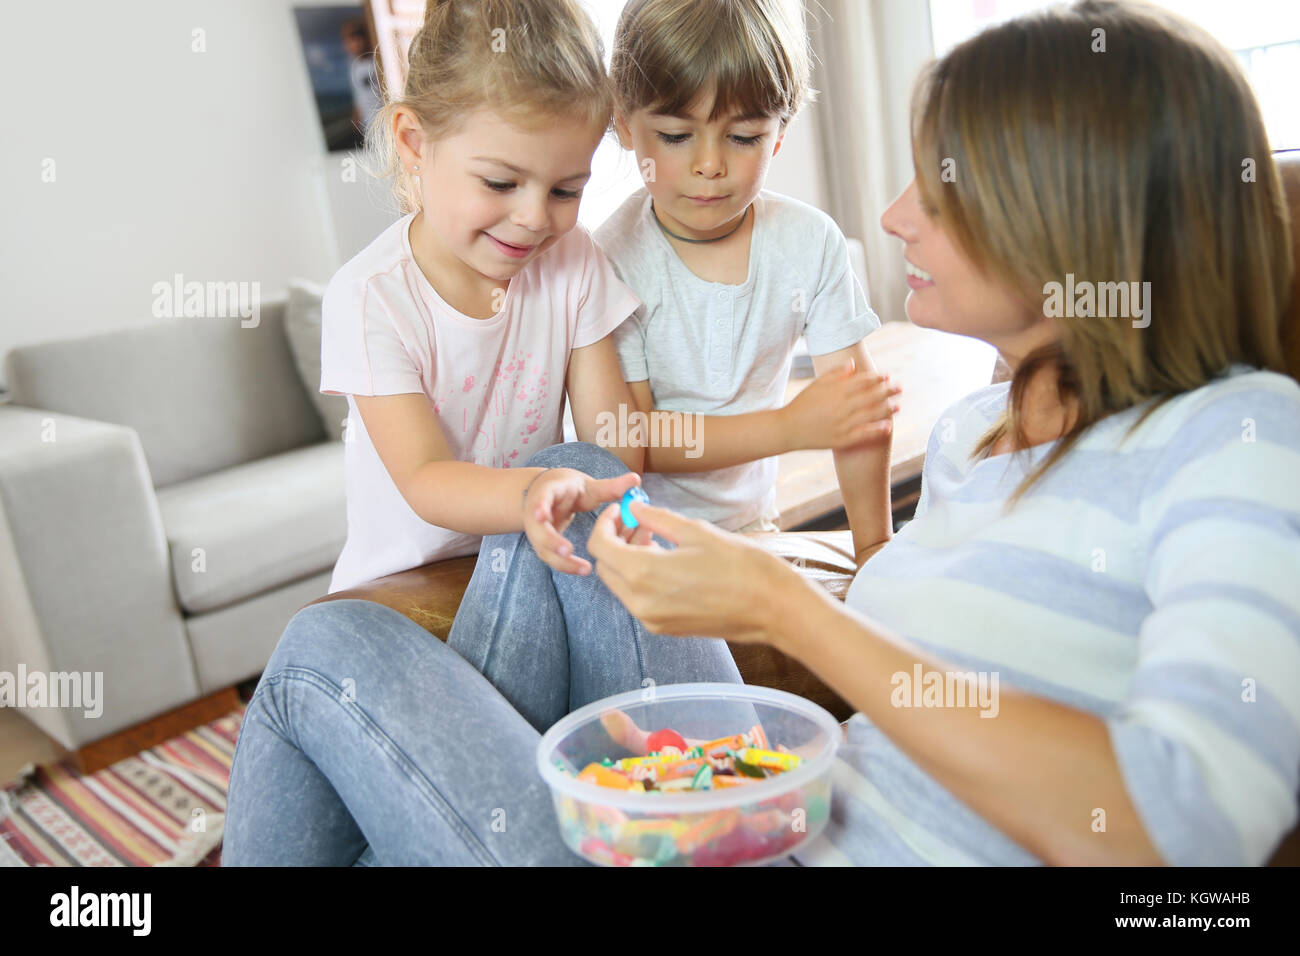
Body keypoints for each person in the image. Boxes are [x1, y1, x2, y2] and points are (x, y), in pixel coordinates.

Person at [225, 0, 1299, 866]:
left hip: (774, 827)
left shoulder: (1239, 435)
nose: (890, 215)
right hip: (754, 818)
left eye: (937, 186)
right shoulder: (981, 429)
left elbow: (1186, 820)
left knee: (325, 651)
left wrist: (783, 599)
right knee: (569, 475)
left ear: (1074, 216)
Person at [318, 0, 645, 596]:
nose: (533, 219)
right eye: (501, 182)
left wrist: (611, 502)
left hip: (532, 553)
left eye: (567, 190)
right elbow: (425, 479)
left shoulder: (573, 259)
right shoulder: (370, 297)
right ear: (415, 141)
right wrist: (534, 494)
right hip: (408, 587)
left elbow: (610, 441)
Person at [597, 0, 899, 560]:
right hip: (638, 538)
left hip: (756, 526)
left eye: (742, 138)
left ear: (778, 135)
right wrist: (787, 427)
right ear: (624, 124)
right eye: (675, 135)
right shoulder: (608, 261)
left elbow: (856, 416)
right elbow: (631, 439)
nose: (710, 165)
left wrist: (874, 547)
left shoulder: (810, 243)